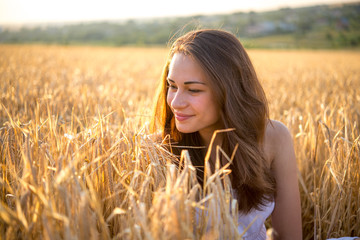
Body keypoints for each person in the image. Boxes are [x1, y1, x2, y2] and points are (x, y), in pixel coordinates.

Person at [150, 29, 302, 239]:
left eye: (193, 90)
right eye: (172, 86)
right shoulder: (156, 150)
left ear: (229, 90)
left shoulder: (274, 138)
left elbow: (289, 236)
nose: (175, 103)